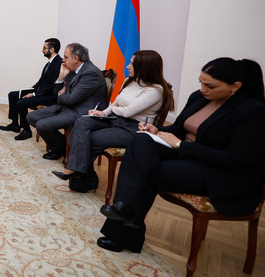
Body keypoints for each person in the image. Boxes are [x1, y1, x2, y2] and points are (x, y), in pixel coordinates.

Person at [97, 58, 265, 254]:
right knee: (140, 140)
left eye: (210, 86)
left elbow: (237, 160)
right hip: (185, 154)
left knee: (147, 169)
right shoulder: (199, 98)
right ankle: (126, 213)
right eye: (201, 82)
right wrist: (156, 129)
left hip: (218, 171)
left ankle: (124, 221)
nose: (203, 89)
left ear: (235, 86)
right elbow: (178, 129)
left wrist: (179, 145)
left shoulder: (252, 111)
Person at [53, 50, 174, 192]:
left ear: (145, 67)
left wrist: (115, 109)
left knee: (86, 137)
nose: (127, 66)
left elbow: (128, 112)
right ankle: (81, 174)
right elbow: (116, 103)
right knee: (81, 123)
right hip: (115, 120)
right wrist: (103, 112)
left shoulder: (155, 90)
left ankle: (82, 175)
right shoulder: (129, 81)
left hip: (133, 128)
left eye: (132, 64)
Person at [27, 43, 107, 160]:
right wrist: (61, 77)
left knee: (42, 125)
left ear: (76, 59)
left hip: (80, 112)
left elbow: (70, 99)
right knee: (31, 117)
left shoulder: (90, 73)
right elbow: (57, 93)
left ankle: (61, 148)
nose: (63, 60)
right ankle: (63, 146)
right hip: (67, 107)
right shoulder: (73, 70)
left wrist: (61, 94)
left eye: (66, 57)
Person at [0, 38, 63, 140]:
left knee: (21, 103)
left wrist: (34, 94)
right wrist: (31, 89)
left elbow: (52, 86)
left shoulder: (59, 63)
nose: (42, 50)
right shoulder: (49, 63)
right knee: (12, 95)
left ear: (52, 49)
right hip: (41, 91)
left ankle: (27, 130)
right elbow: (41, 81)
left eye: (44, 48)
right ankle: (15, 124)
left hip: (50, 95)